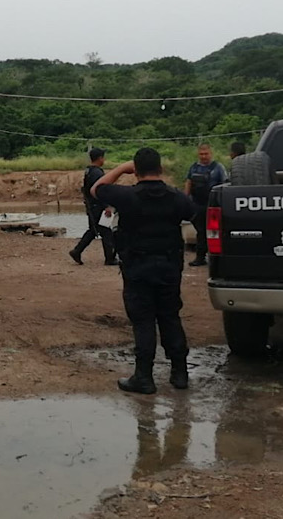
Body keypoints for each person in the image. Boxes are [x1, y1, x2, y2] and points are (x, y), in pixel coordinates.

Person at [92, 147, 196, 394]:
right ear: (160, 168)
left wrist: (122, 168)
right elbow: (192, 212)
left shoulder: (127, 196)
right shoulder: (177, 197)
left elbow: (96, 189)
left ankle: (144, 377)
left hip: (138, 268)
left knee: (143, 321)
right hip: (169, 267)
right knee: (170, 317)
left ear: (136, 170)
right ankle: (180, 373)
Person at [69, 147, 117, 266]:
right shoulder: (97, 173)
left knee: (93, 230)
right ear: (100, 158)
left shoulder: (89, 171)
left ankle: (77, 251)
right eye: (103, 157)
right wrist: (106, 206)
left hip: (92, 205)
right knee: (105, 231)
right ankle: (109, 258)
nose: (104, 160)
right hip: (97, 206)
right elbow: (100, 191)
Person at [183, 143, 227, 267]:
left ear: (210, 153)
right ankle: (200, 257)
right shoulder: (193, 168)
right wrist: (185, 199)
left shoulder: (218, 168)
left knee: (215, 233)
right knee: (201, 232)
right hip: (197, 205)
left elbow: (225, 184)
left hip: (213, 206)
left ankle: (217, 258)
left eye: (206, 154)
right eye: (201, 154)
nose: (203, 156)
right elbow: (188, 183)